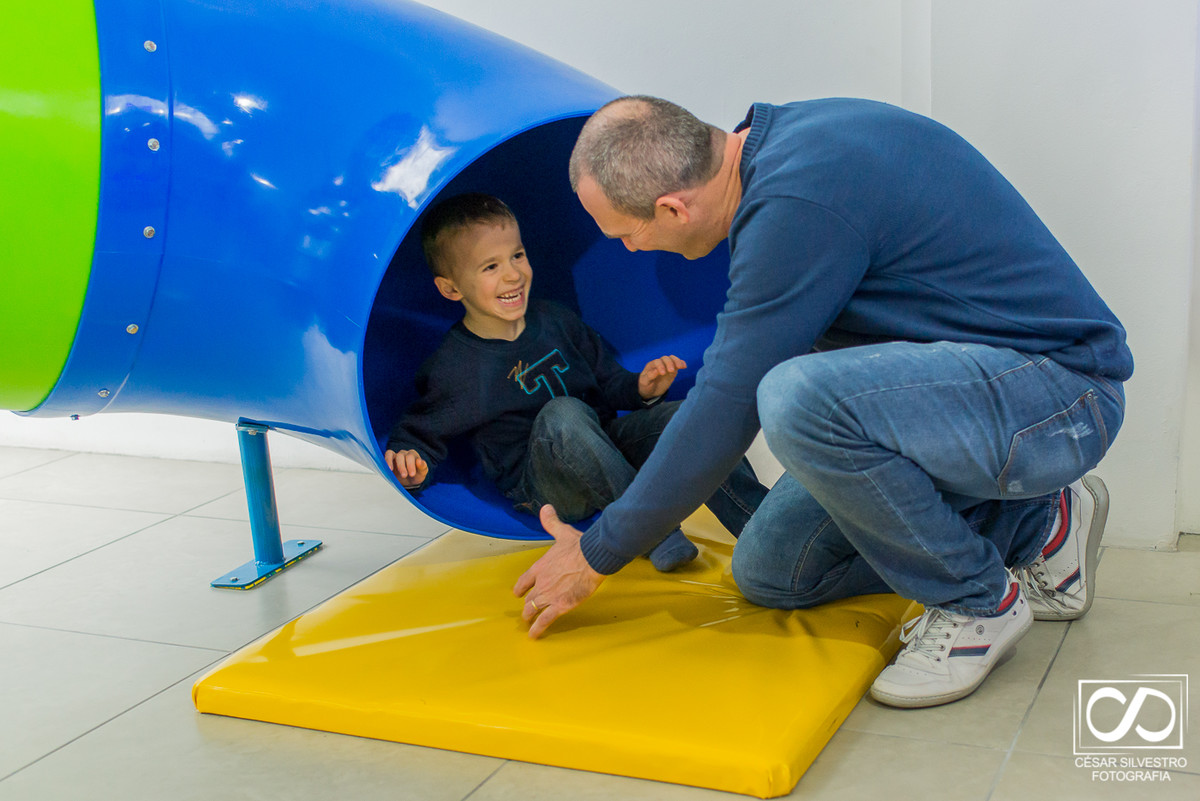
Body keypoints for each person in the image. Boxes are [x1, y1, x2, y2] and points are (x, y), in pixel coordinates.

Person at [514, 96, 1131, 709]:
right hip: (970, 396)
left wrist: (599, 553)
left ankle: (976, 602)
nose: (629, 249)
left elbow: (728, 403)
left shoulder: (796, 203)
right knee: (772, 570)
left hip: (1060, 396)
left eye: (627, 234)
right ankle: (1040, 525)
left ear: (672, 207)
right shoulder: (777, 151)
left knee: (792, 395)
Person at [385, 192, 768, 572]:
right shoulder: (456, 364)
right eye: (490, 267)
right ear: (451, 288)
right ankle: (652, 534)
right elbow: (420, 432)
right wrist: (411, 462)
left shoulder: (555, 319)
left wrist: (642, 389)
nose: (513, 275)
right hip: (545, 487)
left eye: (517, 255)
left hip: (605, 447)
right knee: (562, 414)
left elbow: (608, 381)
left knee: (686, 416)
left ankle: (762, 523)